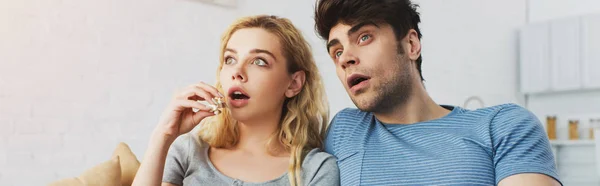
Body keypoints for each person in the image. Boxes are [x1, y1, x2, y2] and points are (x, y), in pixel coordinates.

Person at [313, 0, 561, 185]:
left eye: (364, 37)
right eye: (336, 52)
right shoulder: (345, 129)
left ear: (411, 45)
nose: (345, 58)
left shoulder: (505, 126)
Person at [132, 15, 339, 186]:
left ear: (293, 84)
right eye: (230, 60)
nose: (237, 73)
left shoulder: (315, 170)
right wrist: (163, 136)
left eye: (259, 61)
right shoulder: (189, 151)